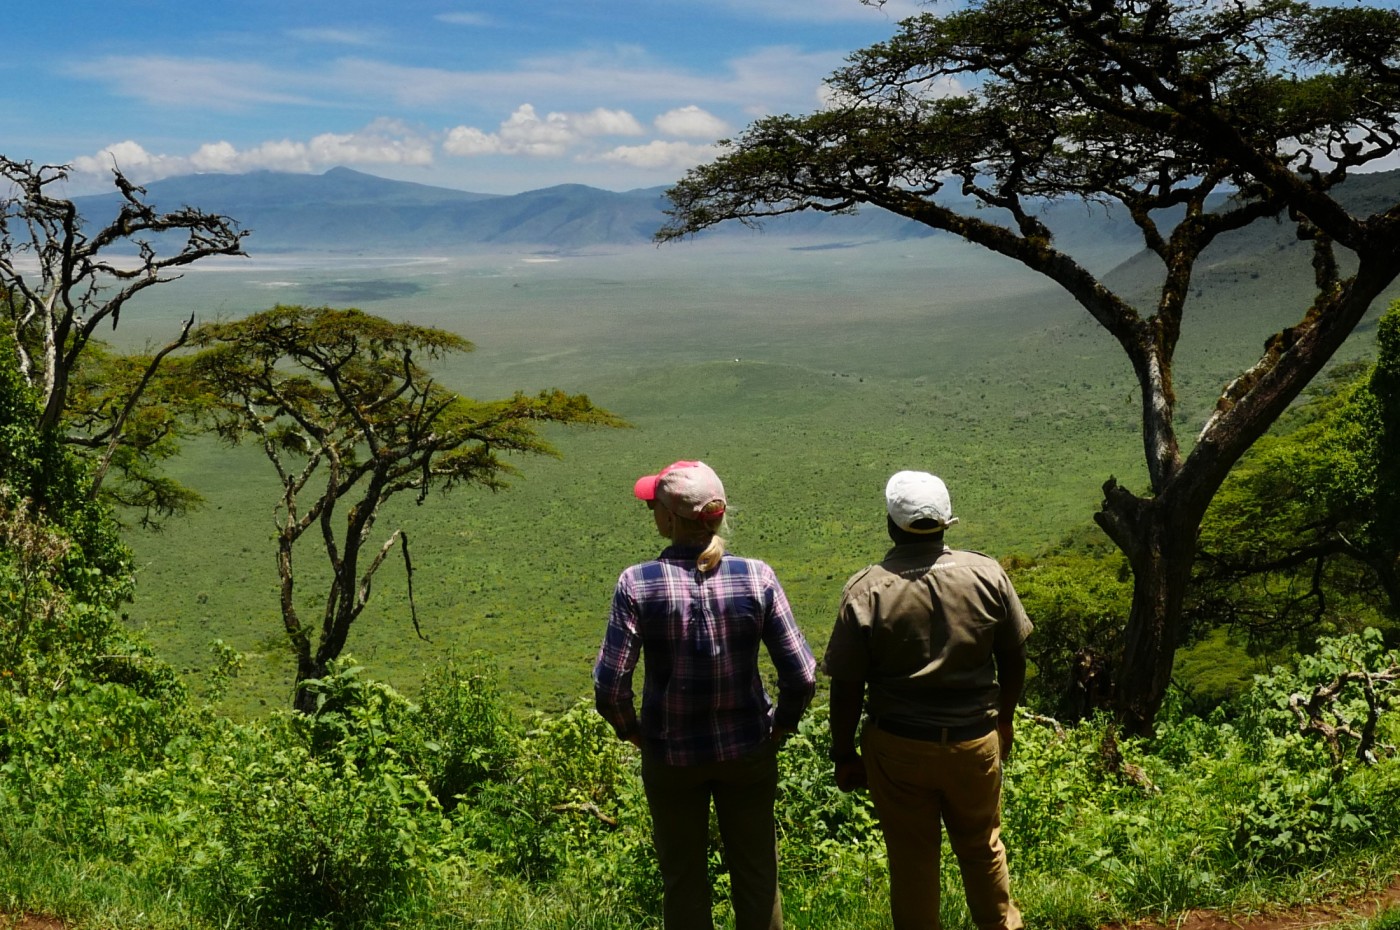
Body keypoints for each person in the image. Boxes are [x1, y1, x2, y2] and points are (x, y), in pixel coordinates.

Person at [594, 459, 817, 930]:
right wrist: (781, 725)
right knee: (758, 876)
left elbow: (611, 685)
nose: (651, 510)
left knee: (683, 881)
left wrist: (633, 731)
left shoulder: (636, 583)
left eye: (655, 505)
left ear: (672, 520)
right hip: (749, 750)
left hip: (671, 755)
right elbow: (801, 674)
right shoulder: (758, 577)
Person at [822, 470, 1031, 930]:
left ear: (892, 526)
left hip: (899, 748)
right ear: (945, 523)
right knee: (982, 847)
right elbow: (1015, 657)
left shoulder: (867, 590)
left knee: (913, 861)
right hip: (975, 740)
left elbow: (846, 686)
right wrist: (1005, 721)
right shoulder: (986, 573)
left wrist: (843, 752)